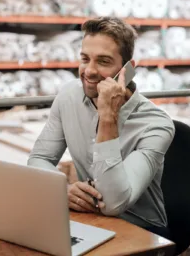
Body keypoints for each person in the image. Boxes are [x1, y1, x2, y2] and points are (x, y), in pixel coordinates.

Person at [27, 16, 175, 239]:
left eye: (103, 61)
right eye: (85, 59)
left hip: (140, 229)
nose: (89, 71)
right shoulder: (69, 96)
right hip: (90, 220)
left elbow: (114, 202)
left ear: (128, 69)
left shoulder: (156, 124)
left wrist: (108, 117)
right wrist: (63, 190)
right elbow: (39, 158)